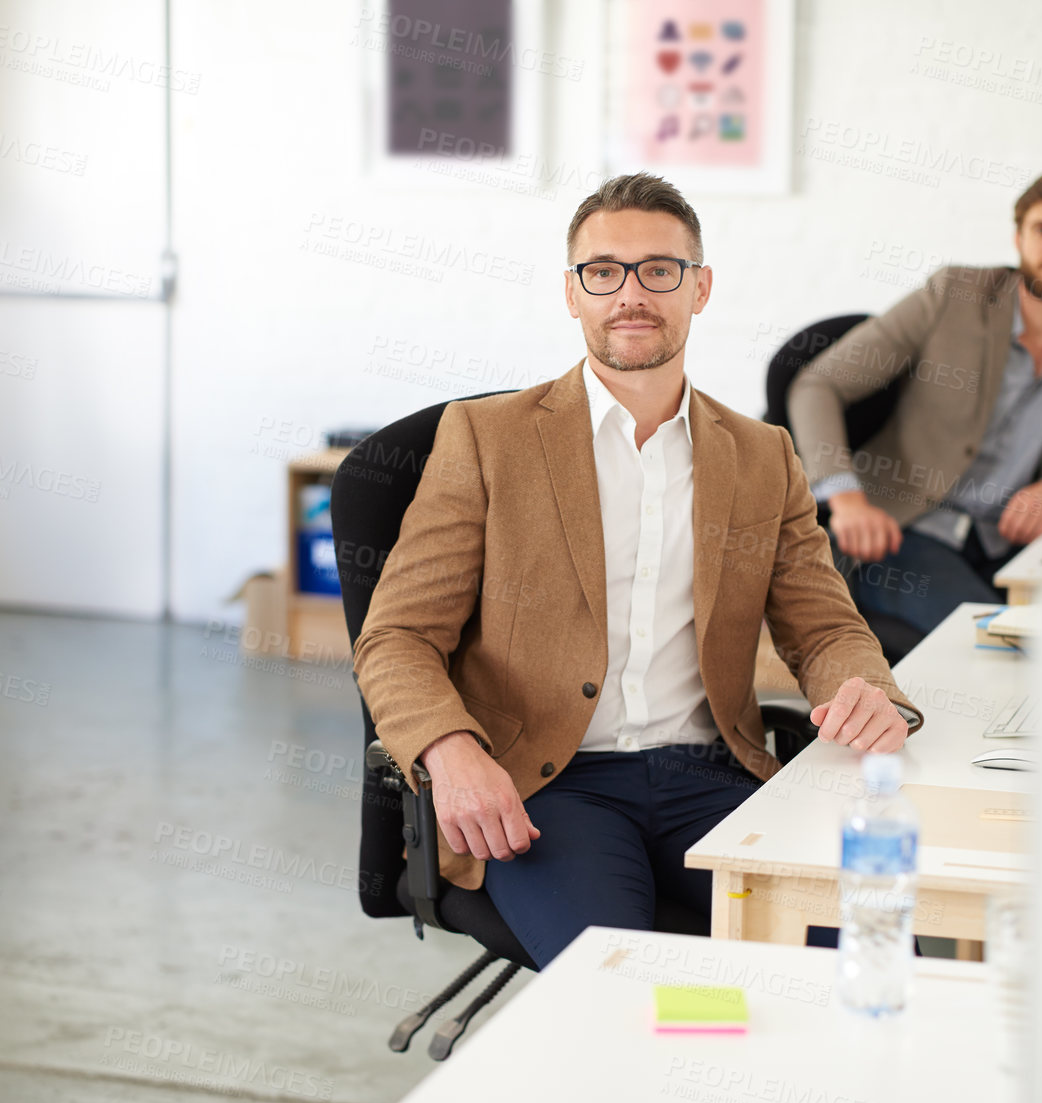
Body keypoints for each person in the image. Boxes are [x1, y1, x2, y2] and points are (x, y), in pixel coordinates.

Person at [353, 173, 923, 969]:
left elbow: (823, 626)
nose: (631, 293)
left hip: (710, 777)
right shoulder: (487, 439)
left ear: (700, 289)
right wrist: (452, 752)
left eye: (660, 269)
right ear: (572, 292)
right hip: (552, 788)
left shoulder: (763, 456)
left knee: (869, 946)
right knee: (626, 987)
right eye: (603, 271)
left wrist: (868, 690)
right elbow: (398, 636)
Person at [787, 166, 1042, 636]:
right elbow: (819, 384)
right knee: (1013, 641)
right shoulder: (953, 294)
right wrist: (848, 500)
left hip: (1011, 543)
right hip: (903, 533)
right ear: (1018, 238)